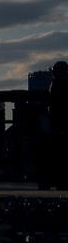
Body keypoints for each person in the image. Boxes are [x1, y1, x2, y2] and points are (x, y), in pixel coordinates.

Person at [50, 61, 68, 189]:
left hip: (57, 123)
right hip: (61, 123)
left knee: (58, 154)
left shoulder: (54, 84)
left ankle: (60, 181)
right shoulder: (60, 84)